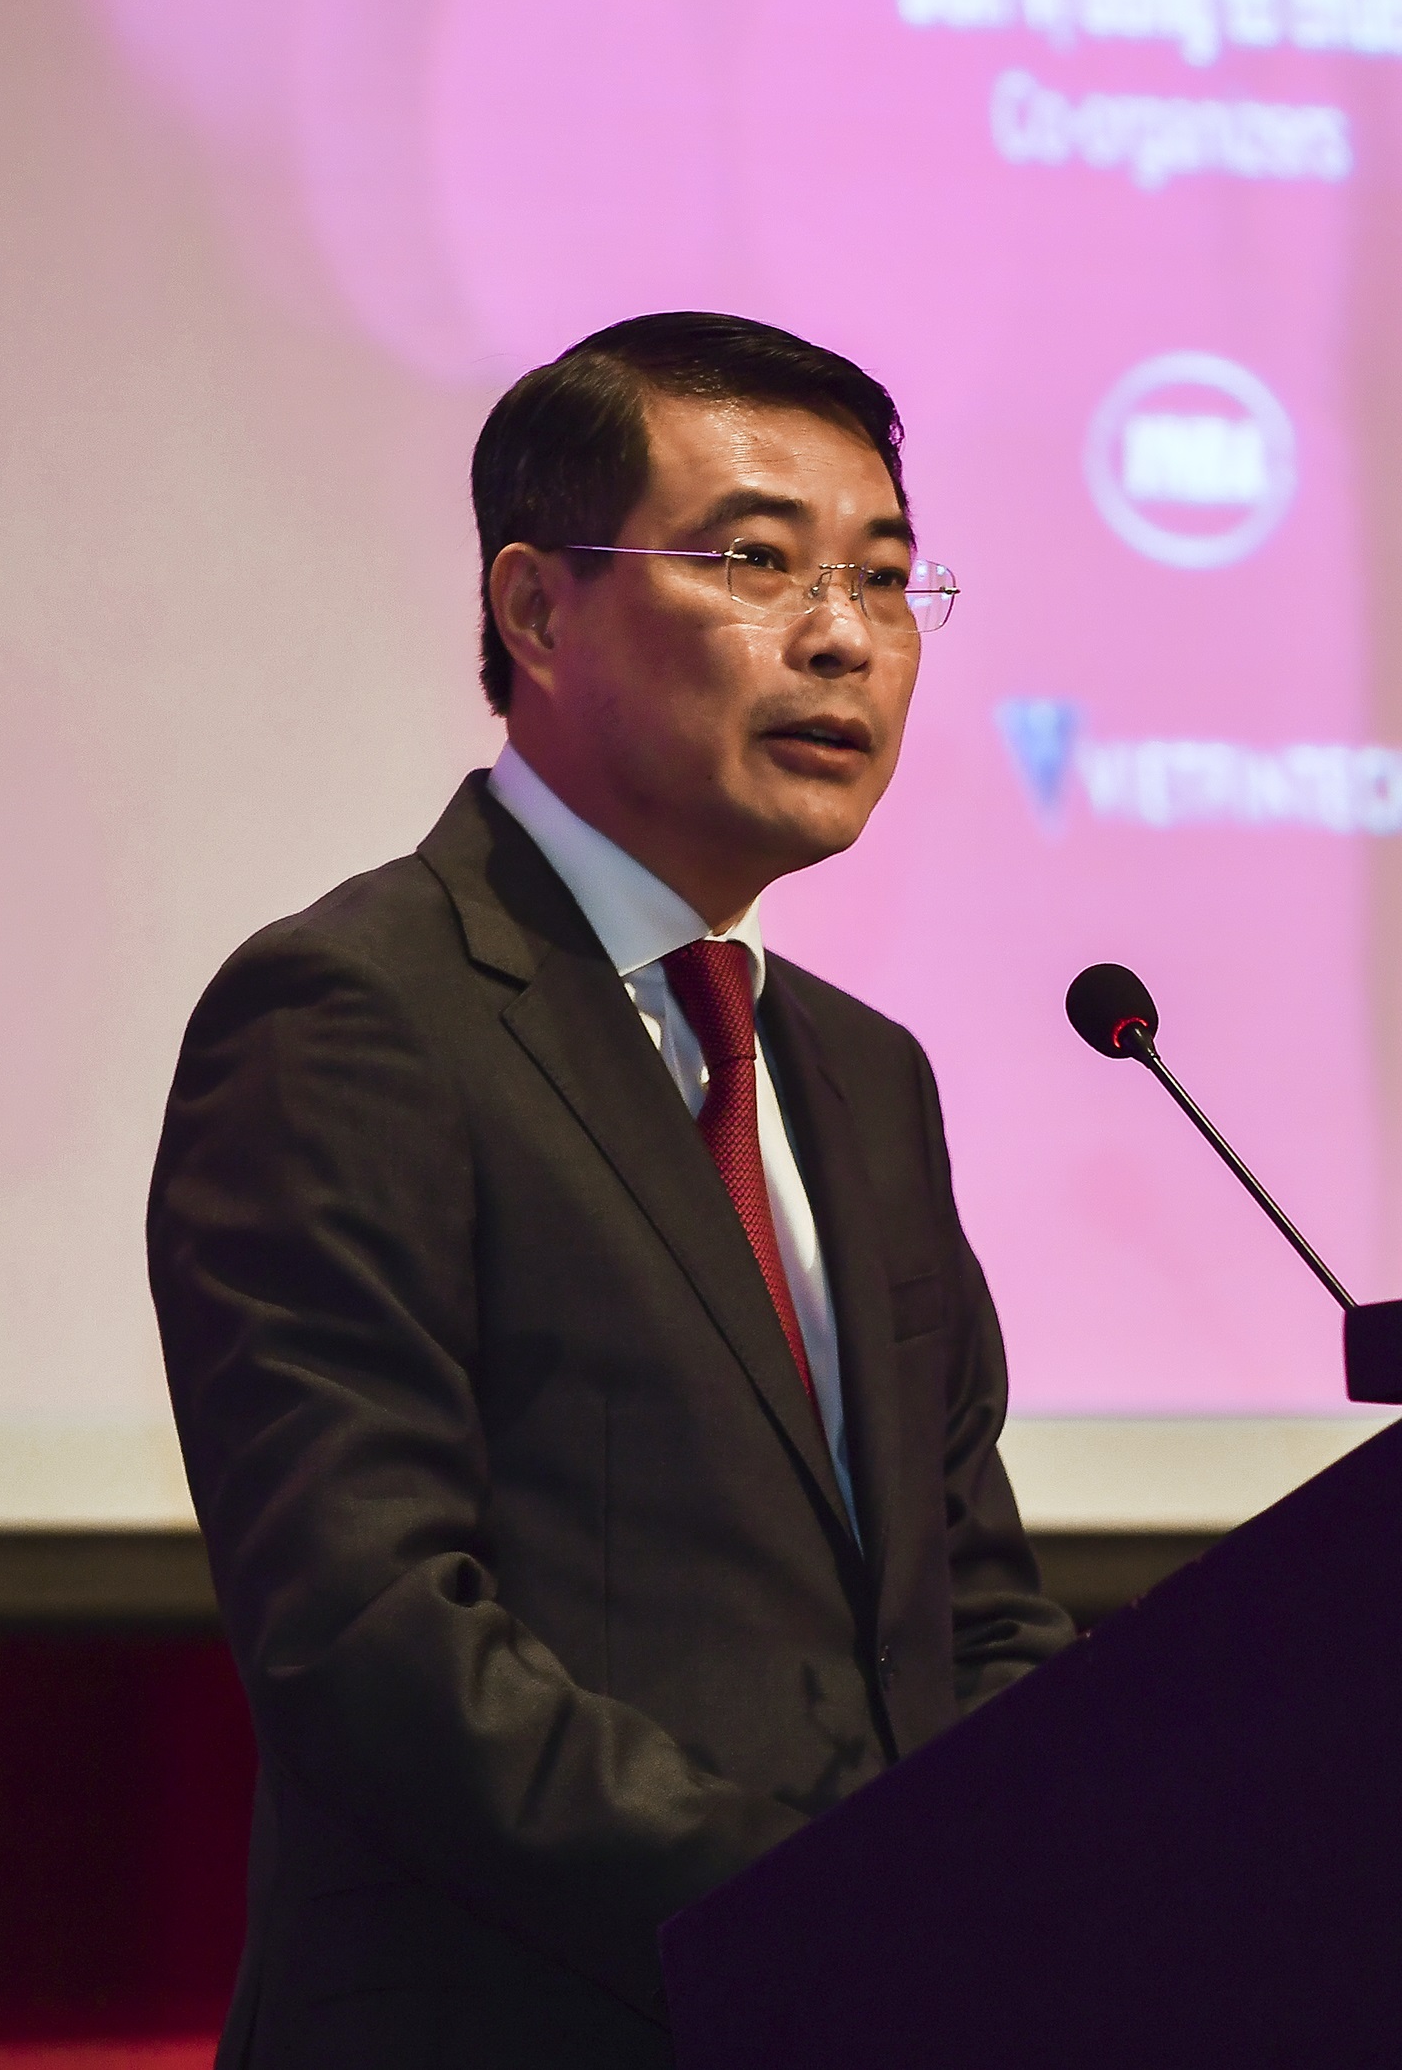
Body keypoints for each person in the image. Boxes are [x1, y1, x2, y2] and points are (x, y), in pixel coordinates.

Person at [148, 312, 1072, 2068]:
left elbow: (973, 1602)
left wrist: (1036, 1884)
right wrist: (814, 1920)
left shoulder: (864, 1076)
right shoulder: (355, 1013)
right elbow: (372, 1634)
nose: (842, 634)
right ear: (536, 610)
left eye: (885, 579)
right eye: (755, 561)